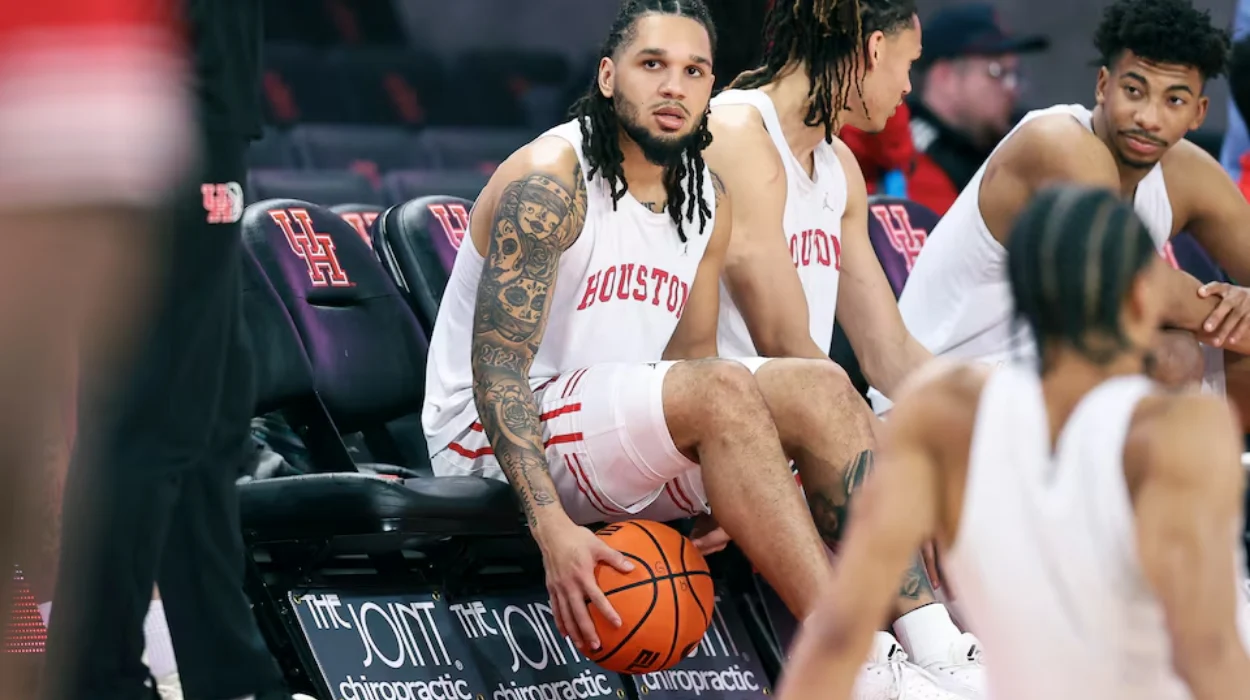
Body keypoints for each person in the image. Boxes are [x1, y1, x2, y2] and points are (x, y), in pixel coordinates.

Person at [422, 4, 962, 697]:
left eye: (694, 71)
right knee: (730, 391)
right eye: (653, 65)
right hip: (489, 436)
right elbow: (498, 373)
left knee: (820, 386)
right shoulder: (550, 180)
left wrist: (726, 488)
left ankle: (942, 652)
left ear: (712, 85)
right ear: (608, 76)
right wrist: (551, 527)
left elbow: (693, 366)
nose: (674, 86)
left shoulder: (705, 196)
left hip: (608, 427)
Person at [776, 184, 1250, 700]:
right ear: (1143, 299)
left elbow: (841, 630)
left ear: (1020, 292)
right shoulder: (1183, 429)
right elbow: (1210, 650)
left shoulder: (940, 412)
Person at [700, 0, 983, 696]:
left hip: (801, 422)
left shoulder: (840, 168)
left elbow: (890, 352)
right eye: (909, 67)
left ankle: (989, 648)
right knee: (843, 406)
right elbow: (784, 344)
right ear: (874, 48)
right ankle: (920, 655)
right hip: (719, 422)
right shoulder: (737, 130)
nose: (909, 88)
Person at [38, 0, 307, 699]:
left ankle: (230, 672)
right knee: (151, 419)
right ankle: (97, 674)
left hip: (202, 115)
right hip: (171, 112)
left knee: (213, 424)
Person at [877, 0, 1250, 416]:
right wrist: (1237, 315)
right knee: (1170, 355)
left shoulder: (1187, 172)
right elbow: (1140, 283)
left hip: (1047, 378)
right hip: (940, 390)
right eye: (1134, 91)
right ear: (1103, 86)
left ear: (1199, 112)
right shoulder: (1057, 143)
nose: (1149, 117)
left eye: (1174, 100)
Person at [903, 3, 1048, 216]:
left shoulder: (1013, 138)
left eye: (1014, 74)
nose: (1012, 89)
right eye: (997, 72)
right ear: (946, 78)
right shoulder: (901, 154)